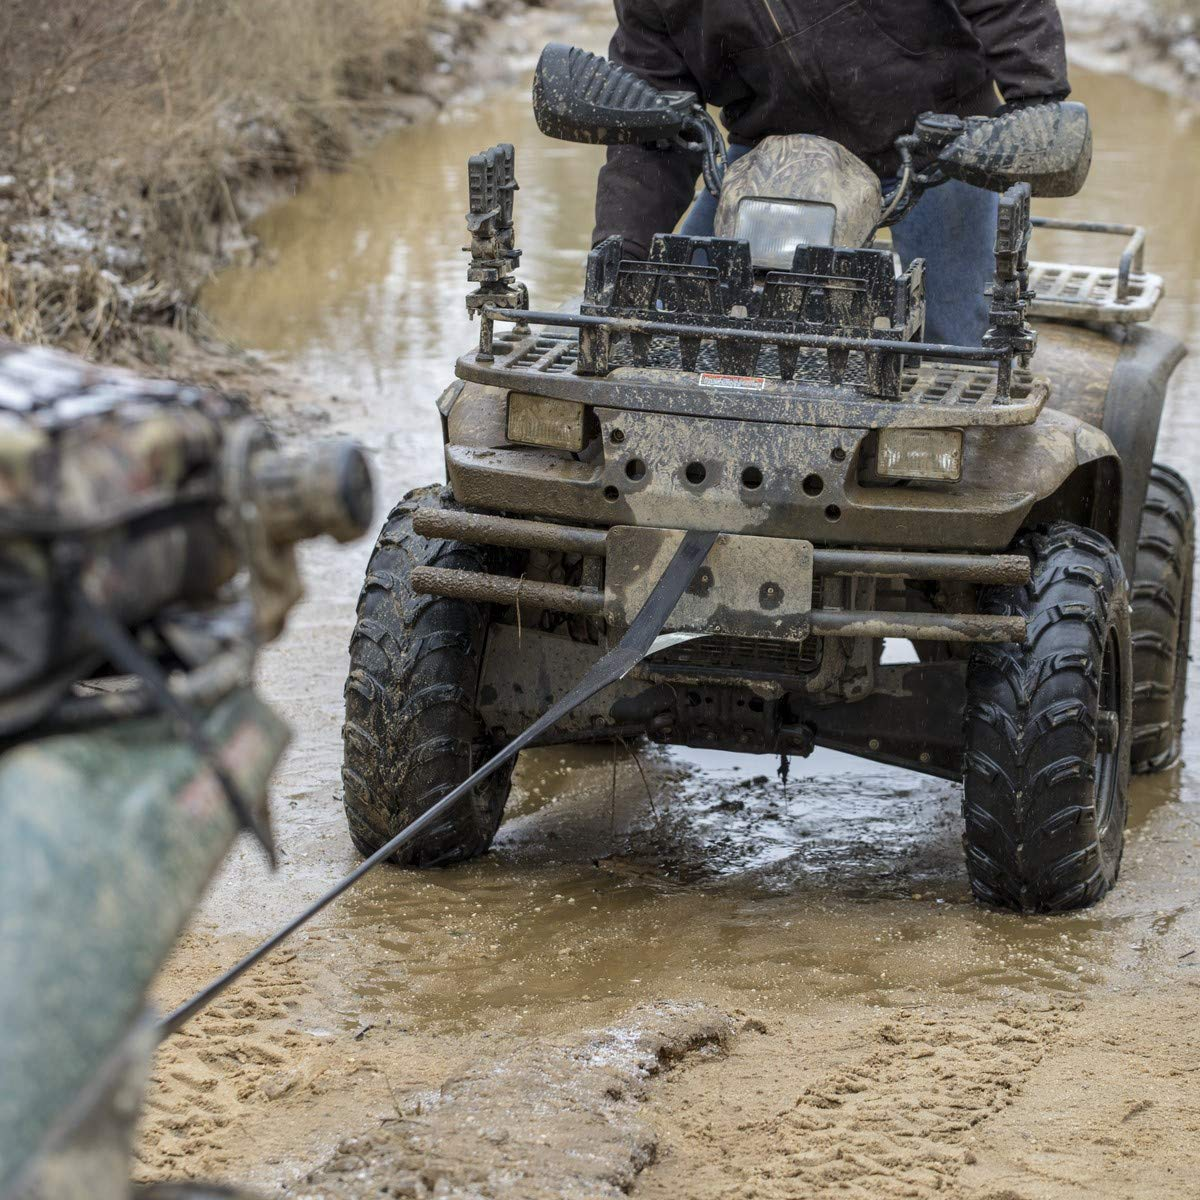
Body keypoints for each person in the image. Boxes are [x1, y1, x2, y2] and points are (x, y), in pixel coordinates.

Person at [591, 0, 1071, 346]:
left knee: (957, 344)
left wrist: (1038, 102)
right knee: (664, 321)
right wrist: (618, 255)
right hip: (770, 158)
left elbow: (1008, 5)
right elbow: (652, 124)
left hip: (938, 146)